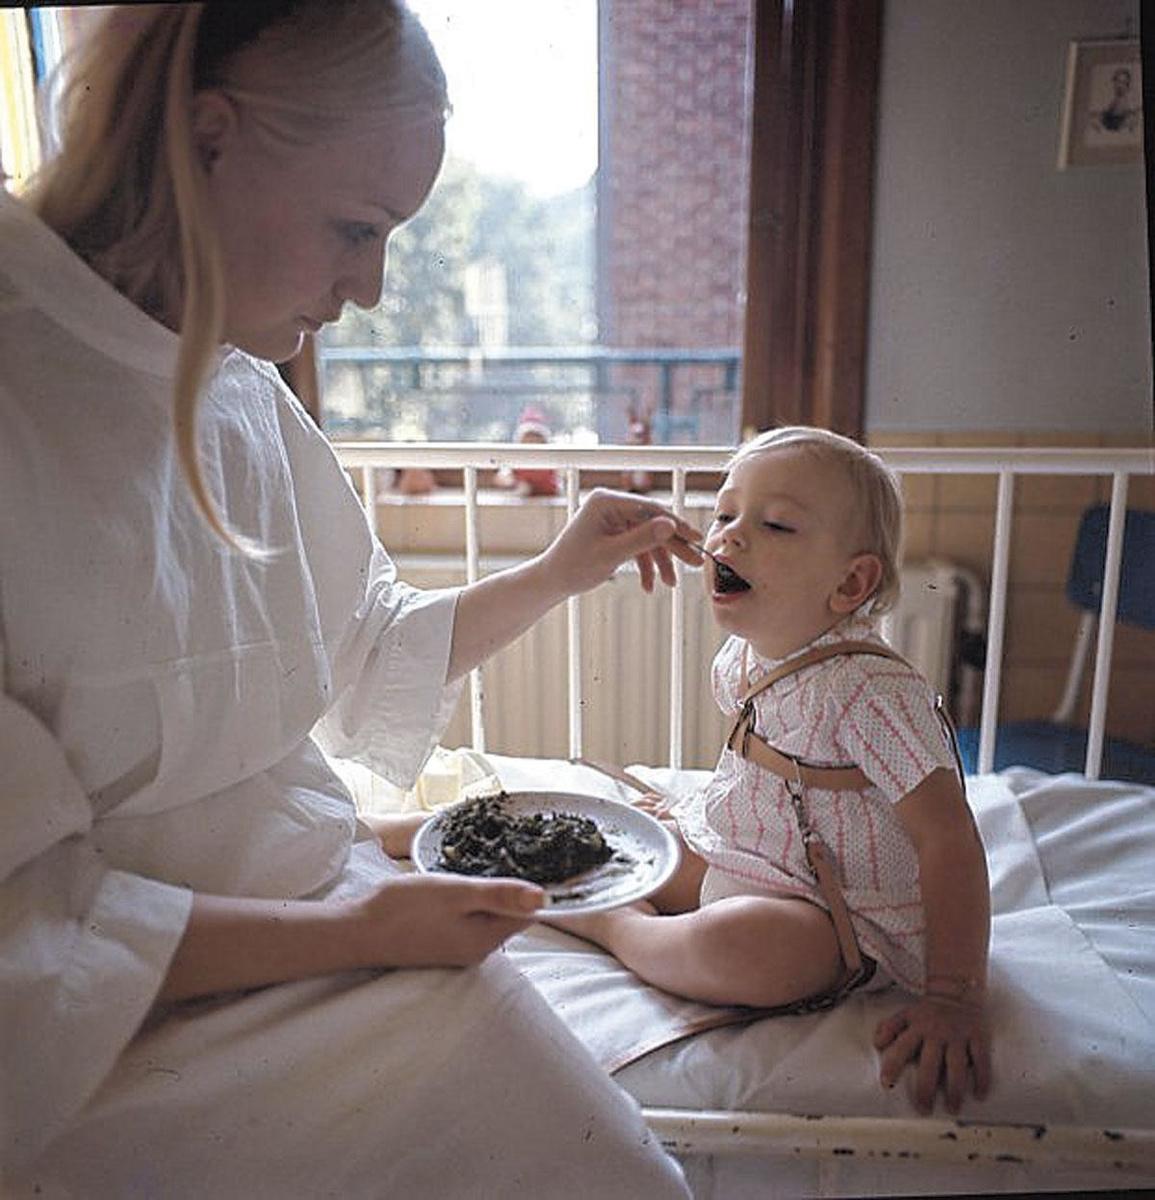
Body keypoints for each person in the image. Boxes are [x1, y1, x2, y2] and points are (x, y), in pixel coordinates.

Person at [0, 3, 699, 1196]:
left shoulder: (239, 389)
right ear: (209, 138)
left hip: (326, 918)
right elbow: (35, 932)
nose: (369, 291)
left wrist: (557, 571)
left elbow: (366, 653)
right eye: (355, 228)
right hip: (113, 1035)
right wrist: (368, 932)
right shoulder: (22, 386)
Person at [552, 426, 994, 1117]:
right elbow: (771, 776)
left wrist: (951, 995)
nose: (727, 538)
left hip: (844, 919)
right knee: (616, 841)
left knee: (743, 951)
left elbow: (948, 838)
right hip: (760, 861)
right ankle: (413, 830)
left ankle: (609, 925)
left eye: (776, 524)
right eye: (724, 515)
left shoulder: (872, 694)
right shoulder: (749, 656)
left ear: (850, 582)